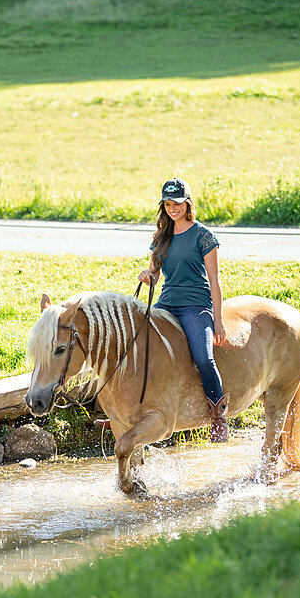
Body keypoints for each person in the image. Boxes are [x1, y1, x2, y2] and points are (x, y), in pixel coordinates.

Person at [96, 177, 230, 442]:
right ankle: (124, 412)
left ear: (187, 203)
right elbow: (156, 274)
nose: (173, 208)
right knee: (136, 344)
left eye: (177, 203)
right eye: (168, 204)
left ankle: (218, 416)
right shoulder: (161, 237)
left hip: (195, 305)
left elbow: (214, 280)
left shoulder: (203, 235)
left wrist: (218, 320)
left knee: (203, 358)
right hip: (167, 302)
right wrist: (149, 274)